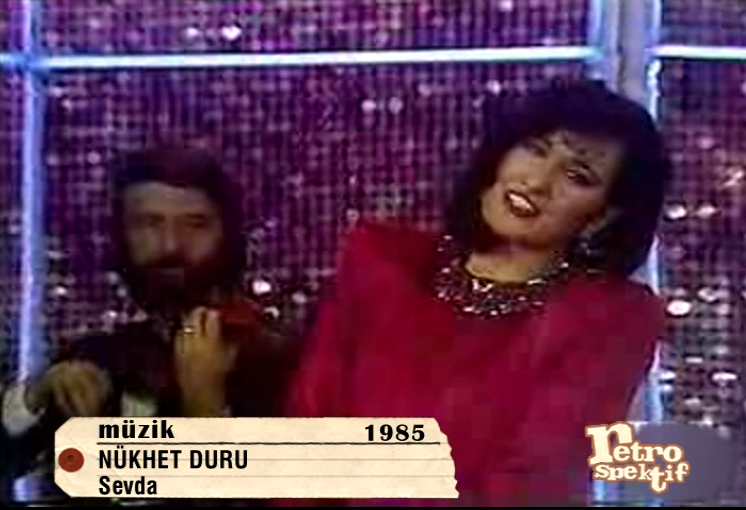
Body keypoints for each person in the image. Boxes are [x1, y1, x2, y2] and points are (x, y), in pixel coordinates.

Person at [282, 79, 673, 506]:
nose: (537, 181)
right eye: (535, 149)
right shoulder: (381, 265)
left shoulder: (608, 320)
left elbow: (533, 481)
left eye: (577, 176)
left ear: (603, 218)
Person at [1, 143, 297, 505]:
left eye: (196, 225)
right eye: (148, 224)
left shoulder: (284, 365)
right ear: (121, 237)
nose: (171, 245)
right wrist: (35, 397)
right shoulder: (96, 361)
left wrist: (206, 409)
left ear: (230, 235)